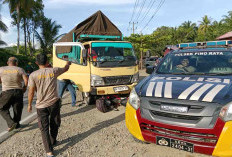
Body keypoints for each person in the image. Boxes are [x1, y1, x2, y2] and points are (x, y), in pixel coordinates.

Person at [27, 53, 71, 157]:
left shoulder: (33, 75)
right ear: (47, 62)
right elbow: (65, 69)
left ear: (36, 63)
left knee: (44, 128)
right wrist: (68, 63)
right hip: (54, 103)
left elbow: (31, 92)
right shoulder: (54, 71)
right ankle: (53, 141)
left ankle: (49, 151)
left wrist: (29, 105)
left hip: (41, 106)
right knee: (55, 123)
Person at [0, 57, 28, 131]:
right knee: (17, 108)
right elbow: (26, 80)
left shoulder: (1, 69)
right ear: (16, 63)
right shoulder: (20, 69)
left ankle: (11, 123)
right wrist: (24, 88)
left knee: (2, 108)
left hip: (7, 92)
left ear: (7, 62)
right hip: (18, 91)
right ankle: (17, 124)